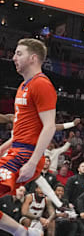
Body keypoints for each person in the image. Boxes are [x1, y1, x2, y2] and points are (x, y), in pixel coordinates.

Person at [0, 38, 58, 236]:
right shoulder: (23, 86)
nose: (13, 58)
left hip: (25, 155)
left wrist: (33, 162)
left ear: (33, 58)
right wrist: (2, 148)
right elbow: (20, 129)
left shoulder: (41, 84)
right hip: (15, 150)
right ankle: (24, 233)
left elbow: (49, 126)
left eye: (18, 53)